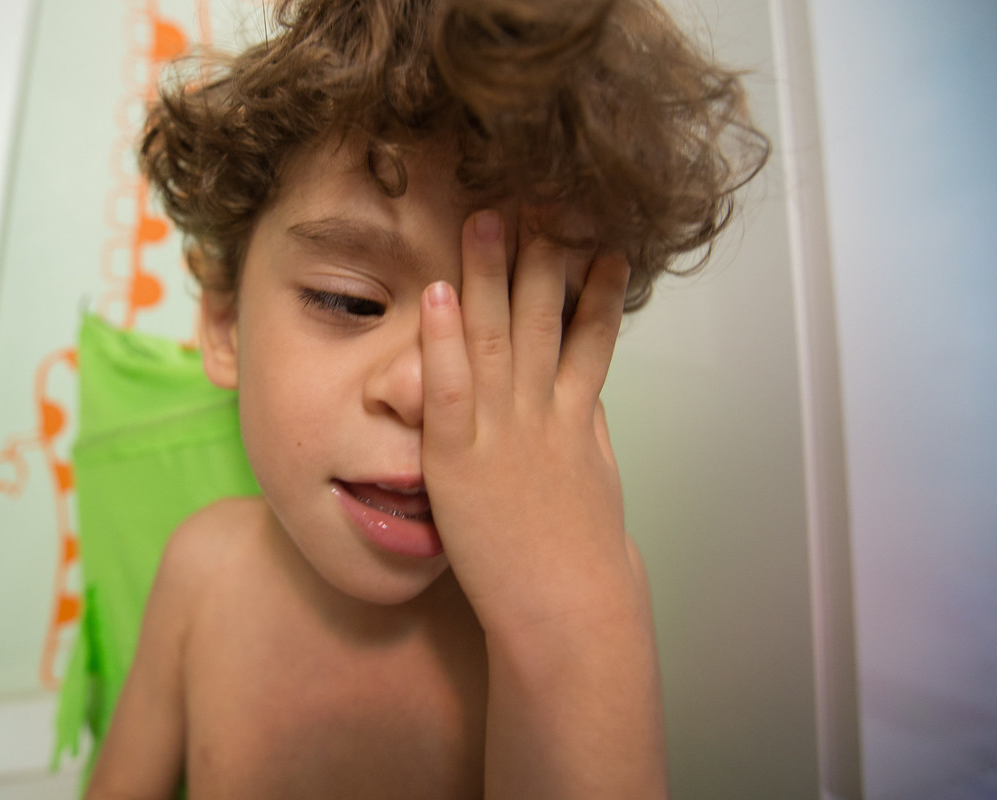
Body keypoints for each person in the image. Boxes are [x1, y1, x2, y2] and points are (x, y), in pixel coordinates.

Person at [84, 0, 767, 796]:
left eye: (507, 332)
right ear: (228, 322)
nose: (425, 390)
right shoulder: (201, 571)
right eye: (350, 301)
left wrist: (575, 619)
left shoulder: (576, 597)